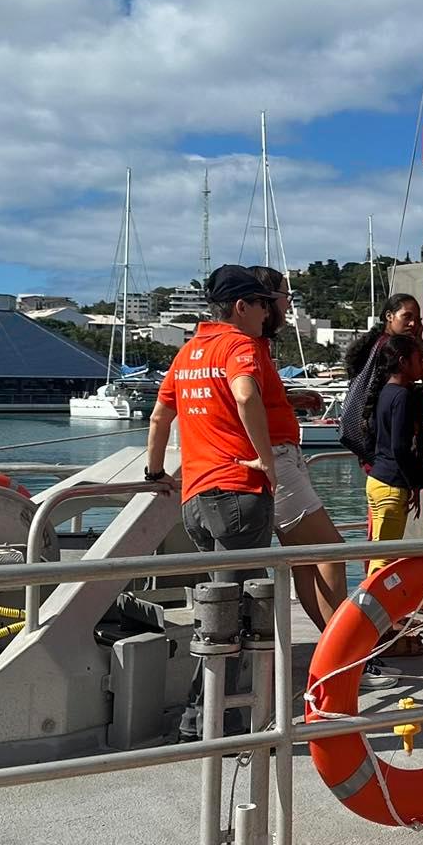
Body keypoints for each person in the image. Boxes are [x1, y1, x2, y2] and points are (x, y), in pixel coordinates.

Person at [145, 264, 280, 741]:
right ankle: (208, 723)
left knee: (220, 609)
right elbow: (245, 395)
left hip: (196, 501)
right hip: (237, 495)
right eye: (264, 303)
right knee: (233, 617)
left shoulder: (187, 353)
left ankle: (206, 718)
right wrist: (265, 459)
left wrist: (155, 473)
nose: (270, 312)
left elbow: (161, 416)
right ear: (241, 306)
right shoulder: (238, 345)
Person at [246, 266, 348, 629]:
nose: (289, 303)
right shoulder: (248, 346)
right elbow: (243, 397)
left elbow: (257, 397)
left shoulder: (259, 345)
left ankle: (333, 649)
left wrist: (289, 398)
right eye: (285, 296)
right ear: (265, 301)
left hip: (281, 458)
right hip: (278, 461)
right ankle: (346, 654)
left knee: (305, 560)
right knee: (333, 552)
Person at [361, 332, 423, 572]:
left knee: (380, 555)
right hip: (392, 485)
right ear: (403, 362)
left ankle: (369, 608)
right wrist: (413, 483)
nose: (421, 366)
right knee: (385, 560)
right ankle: (369, 609)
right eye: (417, 360)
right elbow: (400, 447)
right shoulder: (401, 396)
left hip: (377, 480)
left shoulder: (385, 393)